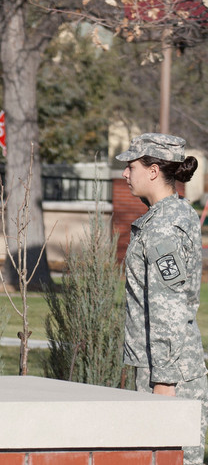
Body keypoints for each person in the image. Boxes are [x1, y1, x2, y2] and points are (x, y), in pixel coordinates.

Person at [117, 132, 207, 465]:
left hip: (169, 374)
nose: (126, 174)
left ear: (153, 170)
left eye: (132, 166)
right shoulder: (174, 213)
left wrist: (164, 383)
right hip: (167, 367)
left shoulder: (163, 227)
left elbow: (168, 308)